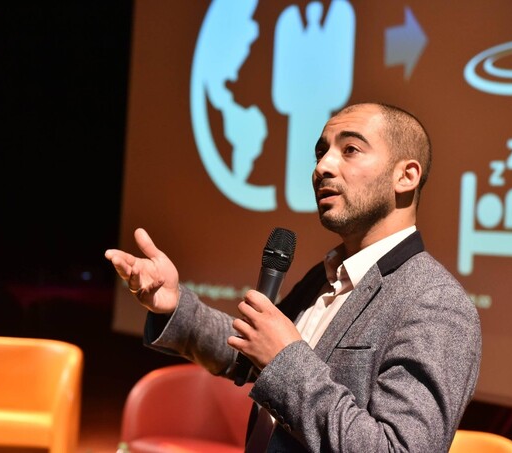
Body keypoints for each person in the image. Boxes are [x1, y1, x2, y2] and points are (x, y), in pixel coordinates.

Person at [105, 102, 482, 452]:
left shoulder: (435, 303)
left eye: (350, 150)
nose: (323, 167)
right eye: (321, 152)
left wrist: (285, 359)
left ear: (406, 176)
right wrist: (174, 305)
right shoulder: (326, 276)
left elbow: (396, 449)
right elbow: (252, 353)